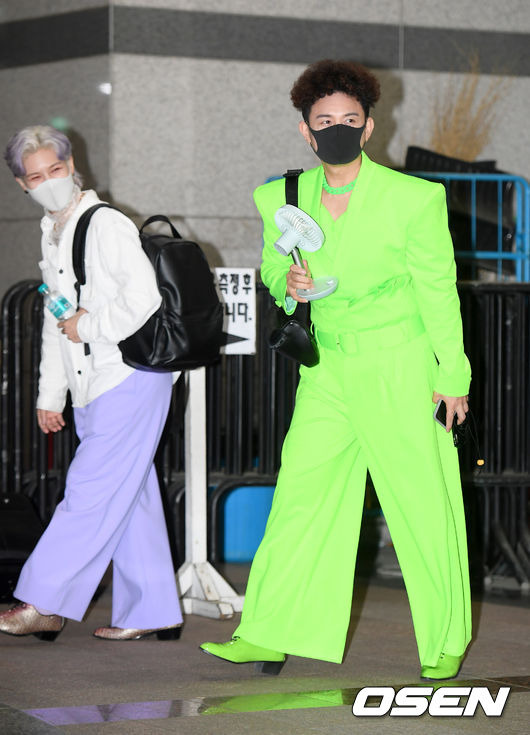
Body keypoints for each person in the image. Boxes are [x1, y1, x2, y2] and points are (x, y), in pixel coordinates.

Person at [201, 59, 472, 680]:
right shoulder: (281, 197)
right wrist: (288, 283)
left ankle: (445, 638)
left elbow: (439, 292)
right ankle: (267, 631)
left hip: (400, 365)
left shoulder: (415, 198)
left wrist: (451, 375)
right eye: (325, 121)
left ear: (369, 126)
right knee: (301, 497)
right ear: (306, 131)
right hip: (326, 371)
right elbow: (274, 270)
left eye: (350, 119)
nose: (338, 129)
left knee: (423, 503)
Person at [0, 125, 182, 641]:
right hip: (96, 382)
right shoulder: (53, 230)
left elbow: (142, 298)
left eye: (55, 170)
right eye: (36, 176)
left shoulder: (104, 224)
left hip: (127, 375)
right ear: (22, 184)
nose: (48, 182)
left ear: (72, 164)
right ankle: (151, 610)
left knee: (89, 490)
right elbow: (53, 320)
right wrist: (49, 393)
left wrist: (89, 325)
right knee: (132, 492)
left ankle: (42, 601)